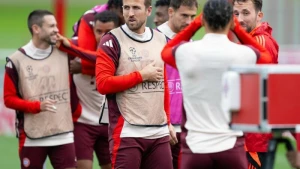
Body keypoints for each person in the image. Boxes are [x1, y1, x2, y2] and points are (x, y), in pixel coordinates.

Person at [56, 0, 178, 168]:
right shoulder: (111, 40)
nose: (130, 13)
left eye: (136, 8)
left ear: (149, 10)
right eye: (126, 8)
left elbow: (162, 84)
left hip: (159, 133)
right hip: (128, 132)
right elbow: (103, 84)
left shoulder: (160, 39)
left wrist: (168, 122)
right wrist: (141, 76)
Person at [161, 0, 273, 168]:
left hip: (196, 147)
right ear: (230, 21)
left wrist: (195, 25)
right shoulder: (243, 54)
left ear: (203, 20)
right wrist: (237, 29)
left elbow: (166, 52)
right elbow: (266, 58)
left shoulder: (186, 51)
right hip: (231, 146)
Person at [3, 10, 76, 169]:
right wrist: (36, 106)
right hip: (32, 136)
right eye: (51, 26)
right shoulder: (16, 60)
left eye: (56, 25)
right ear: (36, 29)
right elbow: (8, 99)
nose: (57, 30)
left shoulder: (65, 52)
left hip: (64, 134)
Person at [233, 0, 279, 168]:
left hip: (254, 138)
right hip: (247, 134)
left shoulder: (260, 41)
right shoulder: (247, 42)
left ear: (259, 16)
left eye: (246, 13)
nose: (240, 19)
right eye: (236, 14)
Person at [70, 11, 119, 169]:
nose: (103, 36)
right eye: (98, 31)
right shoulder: (75, 47)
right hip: (83, 122)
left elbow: (102, 61)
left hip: (110, 122)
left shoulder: (123, 50)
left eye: (108, 32)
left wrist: (83, 67)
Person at [156, 0, 197, 168]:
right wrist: (164, 123)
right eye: (184, 16)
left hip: (187, 129)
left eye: (193, 17)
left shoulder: (191, 42)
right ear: (171, 12)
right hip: (161, 129)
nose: (188, 22)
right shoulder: (154, 39)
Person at [72, 0, 124, 77]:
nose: (129, 15)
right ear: (113, 7)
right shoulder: (90, 18)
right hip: (83, 77)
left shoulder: (131, 21)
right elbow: (86, 61)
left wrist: (82, 68)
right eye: (125, 9)